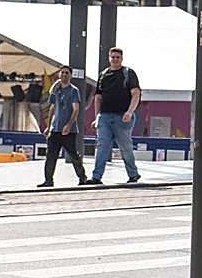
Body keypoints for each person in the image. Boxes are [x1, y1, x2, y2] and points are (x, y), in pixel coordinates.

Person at [85, 47, 141, 185]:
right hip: (104, 116)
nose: (115, 59)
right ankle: (96, 177)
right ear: (109, 58)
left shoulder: (128, 73)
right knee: (101, 146)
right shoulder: (103, 74)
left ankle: (133, 174)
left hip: (122, 116)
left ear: (121, 59)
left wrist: (129, 111)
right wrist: (97, 117)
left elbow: (136, 93)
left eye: (117, 57)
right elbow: (98, 97)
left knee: (125, 146)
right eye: (113, 57)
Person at [38, 66, 88, 188]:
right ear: (59, 75)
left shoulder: (73, 90)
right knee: (50, 156)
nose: (64, 75)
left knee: (73, 155)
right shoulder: (55, 89)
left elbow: (76, 110)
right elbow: (52, 108)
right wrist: (48, 126)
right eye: (62, 73)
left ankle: (82, 178)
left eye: (67, 73)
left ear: (70, 75)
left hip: (68, 131)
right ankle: (48, 180)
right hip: (55, 130)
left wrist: (69, 125)